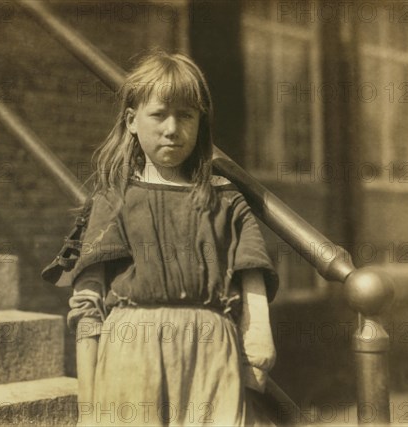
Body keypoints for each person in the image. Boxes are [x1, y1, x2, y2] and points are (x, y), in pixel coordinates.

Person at [61, 51, 277, 426]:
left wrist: (258, 333)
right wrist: (88, 405)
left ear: (200, 123)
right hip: (132, 354)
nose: (172, 129)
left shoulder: (224, 198)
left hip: (211, 355)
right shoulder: (114, 198)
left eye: (186, 115)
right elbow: (87, 305)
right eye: (159, 114)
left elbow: (250, 269)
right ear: (132, 120)